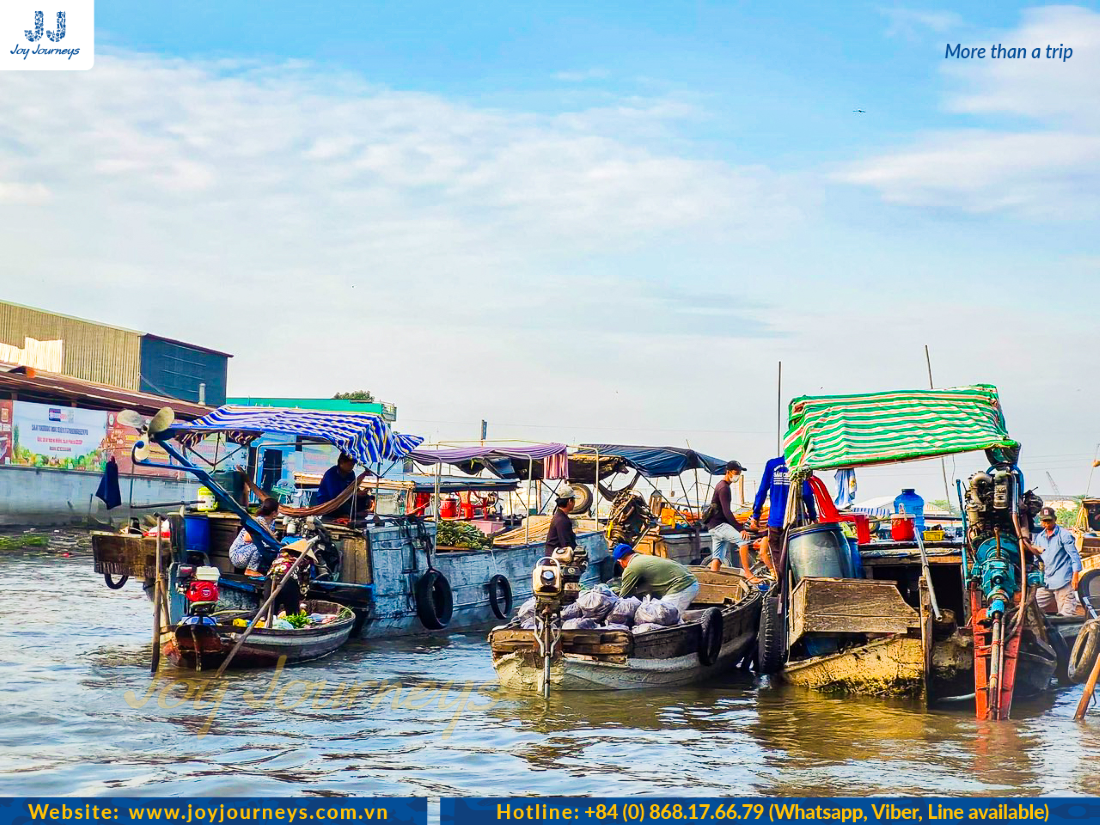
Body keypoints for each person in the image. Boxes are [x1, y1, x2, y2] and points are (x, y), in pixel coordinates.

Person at [750, 455, 817, 578]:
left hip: (775, 522)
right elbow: (807, 494)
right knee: (797, 558)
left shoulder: (772, 464)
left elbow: (762, 491)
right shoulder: (801, 466)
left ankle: (782, 589)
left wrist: (756, 515)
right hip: (795, 521)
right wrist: (813, 515)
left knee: (778, 559)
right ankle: (796, 587)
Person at [613, 543, 699, 615]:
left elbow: (623, 597)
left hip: (682, 587)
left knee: (663, 616)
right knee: (659, 613)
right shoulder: (644, 559)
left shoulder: (632, 568)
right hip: (688, 583)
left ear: (620, 561)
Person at [1032, 506, 1083, 617]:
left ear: (1055, 519)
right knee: (1031, 607)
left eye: (1049, 521)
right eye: (1044, 521)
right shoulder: (1040, 537)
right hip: (1047, 581)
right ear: (1041, 521)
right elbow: (1036, 559)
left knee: (1066, 615)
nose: (1047, 524)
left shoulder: (1064, 535)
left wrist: (1075, 577)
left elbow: (1075, 557)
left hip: (1063, 581)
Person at [705, 460, 752, 574]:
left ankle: (712, 579)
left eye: (739, 473)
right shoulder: (724, 488)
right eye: (736, 472)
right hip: (719, 525)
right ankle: (748, 573)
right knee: (744, 540)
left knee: (718, 557)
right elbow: (727, 511)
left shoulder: (721, 485)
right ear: (728, 472)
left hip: (713, 527)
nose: (737, 475)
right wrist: (740, 529)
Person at [228, 498, 279, 573]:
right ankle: (250, 571)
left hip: (247, 552)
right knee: (260, 547)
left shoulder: (272, 523)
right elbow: (247, 538)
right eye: (278, 509)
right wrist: (267, 537)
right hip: (238, 554)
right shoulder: (258, 521)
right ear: (274, 512)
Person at [314, 453, 373, 518]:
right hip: (330, 502)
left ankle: (354, 514)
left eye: (353, 465)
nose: (352, 467)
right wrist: (354, 494)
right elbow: (336, 496)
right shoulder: (331, 474)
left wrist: (361, 493)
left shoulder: (351, 474)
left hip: (346, 498)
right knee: (342, 503)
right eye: (350, 465)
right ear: (341, 462)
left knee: (365, 498)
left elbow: (354, 488)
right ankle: (353, 515)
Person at [546, 484, 578, 555]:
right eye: (574, 500)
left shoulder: (560, 517)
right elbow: (566, 544)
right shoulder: (562, 520)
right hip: (556, 560)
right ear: (570, 501)